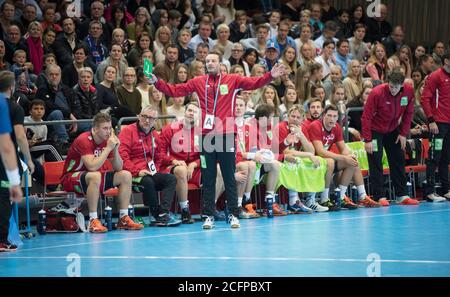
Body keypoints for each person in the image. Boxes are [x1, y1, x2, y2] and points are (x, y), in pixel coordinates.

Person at [147, 51, 287, 229]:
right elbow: (175, 90)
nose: (210, 63)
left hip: (227, 135)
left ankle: (234, 215)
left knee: (229, 176)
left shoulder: (232, 80)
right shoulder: (198, 82)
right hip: (207, 137)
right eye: (207, 61)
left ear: (220, 64)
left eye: (213, 61)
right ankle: (208, 216)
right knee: (209, 176)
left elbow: (253, 83)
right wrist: (156, 83)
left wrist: (270, 76)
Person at [61, 112, 144, 233]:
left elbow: (119, 167)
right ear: (94, 129)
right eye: (105, 128)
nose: (108, 132)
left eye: (110, 128)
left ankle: (123, 218)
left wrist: (115, 150)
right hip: (70, 178)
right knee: (95, 175)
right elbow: (92, 166)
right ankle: (93, 220)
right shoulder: (83, 139)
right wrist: (108, 148)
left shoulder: (107, 142)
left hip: (94, 179)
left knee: (125, 175)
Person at [361, 68, 419, 206]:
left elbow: (409, 113)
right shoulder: (377, 93)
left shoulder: (408, 92)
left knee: (398, 159)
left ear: (402, 86)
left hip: (393, 129)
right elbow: (366, 117)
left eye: (396, 87)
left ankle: (401, 195)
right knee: (376, 161)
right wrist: (368, 139)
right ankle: (379, 196)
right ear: (388, 83)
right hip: (375, 131)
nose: (393, 89)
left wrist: (403, 133)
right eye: (391, 86)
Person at [118, 106, 180, 227]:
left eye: (151, 118)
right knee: (148, 181)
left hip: (149, 172)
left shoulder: (154, 135)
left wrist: (155, 170)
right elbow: (122, 156)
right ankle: (157, 216)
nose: (147, 120)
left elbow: (158, 157)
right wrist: (137, 171)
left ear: (155, 120)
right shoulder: (127, 131)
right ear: (138, 116)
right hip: (132, 174)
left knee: (170, 179)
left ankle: (163, 213)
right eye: (145, 117)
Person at [309, 105, 379, 209]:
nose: (332, 119)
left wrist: (350, 155)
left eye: (334, 116)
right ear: (323, 115)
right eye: (329, 115)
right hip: (314, 161)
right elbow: (320, 152)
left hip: (327, 161)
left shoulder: (336, 127)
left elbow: (343, 149)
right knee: (331, 162)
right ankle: (324, 199)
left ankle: (345, 197)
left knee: (352, 162)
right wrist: (343, 157)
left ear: (338, 118)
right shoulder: (316, 125)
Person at [156, 102, 200, 224]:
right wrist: (173, 161)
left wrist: (194, 164)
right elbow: (159, 154)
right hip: (171, 166)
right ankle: (185, 210)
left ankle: (210, 209)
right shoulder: (170, 129)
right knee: (181, 170)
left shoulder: (201, 132)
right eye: (189, 110)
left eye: (195, 112)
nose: (191, 113)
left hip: (194, 168)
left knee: (217, 170)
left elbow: (206, 155)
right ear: (184, 112)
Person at [421, 51, 450, 202]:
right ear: (446, 61)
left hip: (449, 125)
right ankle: (430, 192)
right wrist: (431, 120)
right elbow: (425, 98)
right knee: (434, 157)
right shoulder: (435, 76)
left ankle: (446, 190)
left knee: (446, 158)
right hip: (438, 124)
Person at [0, 71, 23, 252]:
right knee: (3, 198)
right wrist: (28, 161)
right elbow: (13, 140)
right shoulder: (11, 107)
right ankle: (1, 239)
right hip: (3, 164)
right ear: (11, 86)